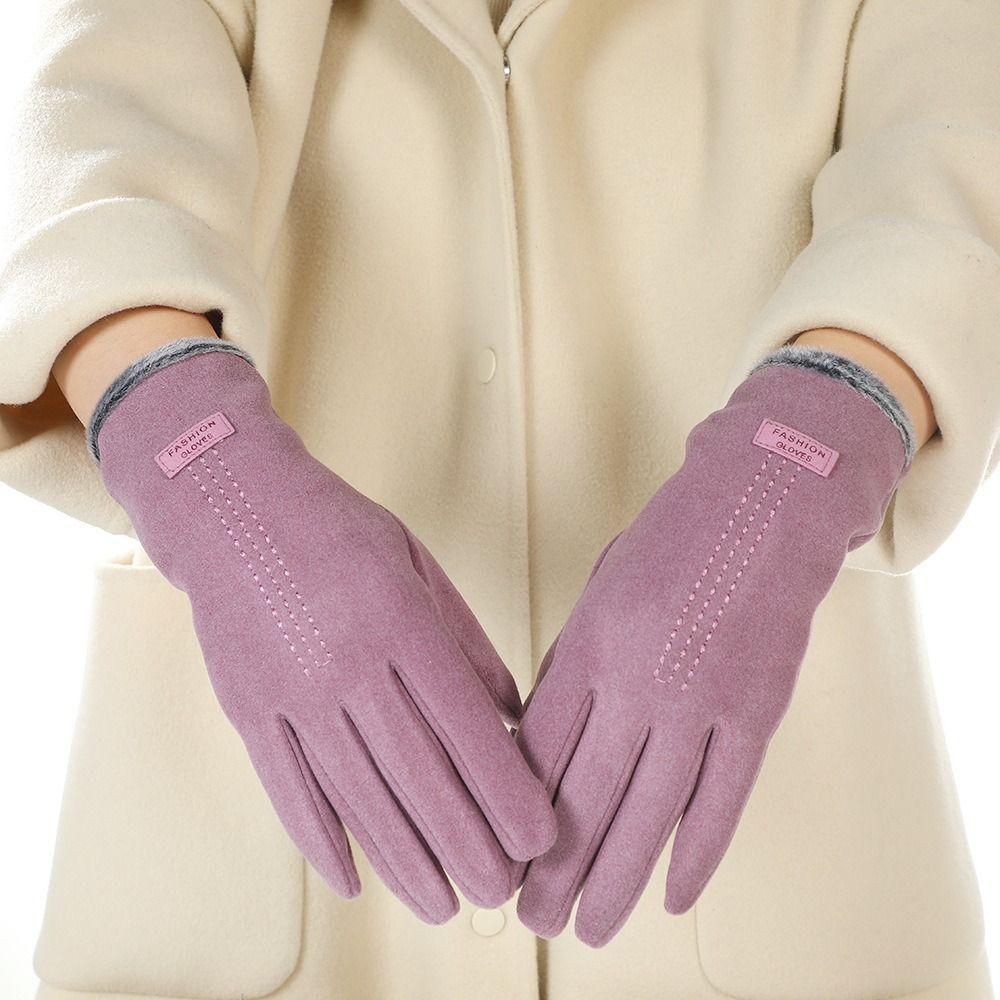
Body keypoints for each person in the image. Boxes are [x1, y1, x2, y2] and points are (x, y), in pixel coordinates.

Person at [1, 1, 996, 998]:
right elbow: (84, 160)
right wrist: (215, 485)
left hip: (793, 884)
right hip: (231, 874)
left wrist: (786, 482)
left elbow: (957, 159)